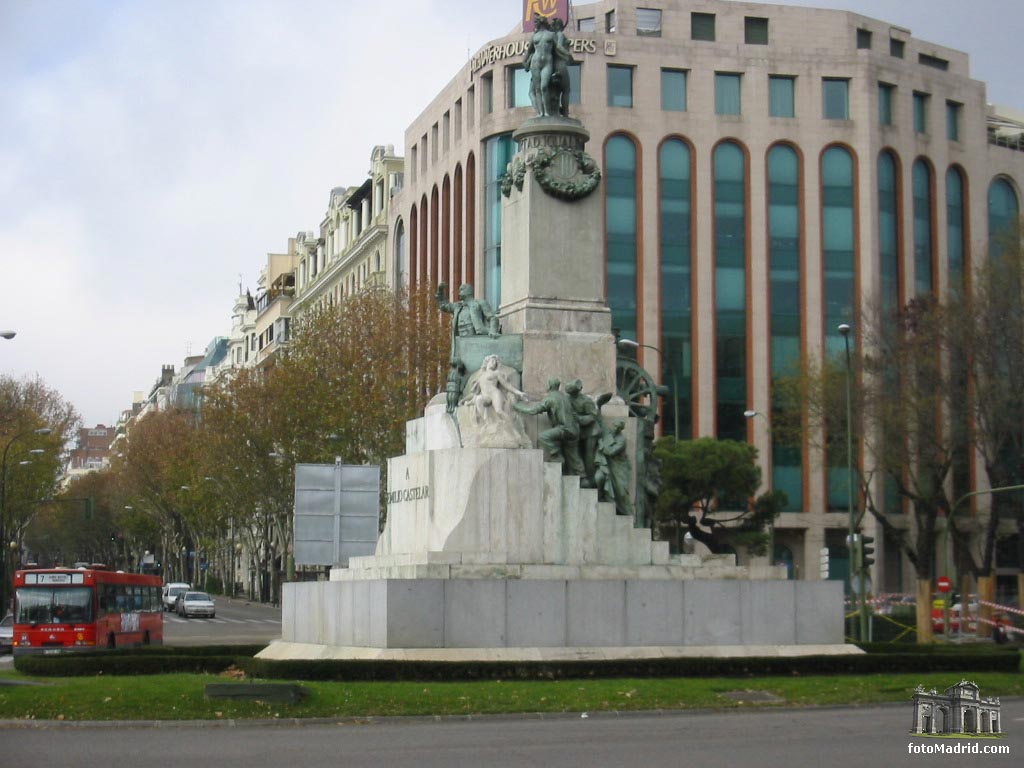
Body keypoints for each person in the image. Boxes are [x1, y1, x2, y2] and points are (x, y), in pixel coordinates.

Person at [514, 377, 585, 476]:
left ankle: (556, 456)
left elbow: (533, 411)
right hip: (575, 429)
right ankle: (582, 477)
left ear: (550, 386)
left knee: (543, 437)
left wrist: (517, 407)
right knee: (573, 456)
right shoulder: (564, 397)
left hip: (564, 429)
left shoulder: (550, 398)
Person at [461, 355, 527, 423]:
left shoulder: (496, 373)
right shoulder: (481, 376)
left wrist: (519, 393)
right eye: (492, 361)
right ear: (487, 362)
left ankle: (511, 424)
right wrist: (464, 400)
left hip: (495, 394)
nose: (494, 363)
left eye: (495, 362)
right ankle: (487, 421)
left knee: (499, 411)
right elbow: (475, 393)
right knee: (478, 399)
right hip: (485, 396)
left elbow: (506, 385)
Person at [595, 419, 635, 518]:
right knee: (598, 477)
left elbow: (611, 452)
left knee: (621, 491)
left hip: (619, 467)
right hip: (605, 465)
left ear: (621, 429)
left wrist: (601, 445)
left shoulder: (621, 440)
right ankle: (601, 496)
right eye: (615, 426)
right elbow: (599, 420)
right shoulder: (607, 433)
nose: (615, 429)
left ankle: (629, 514)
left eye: (618, 428)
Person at [565, 379, 599, 488]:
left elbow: (593, 416)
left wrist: (580, 418)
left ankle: (591, 480)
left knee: (589, 456)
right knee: (574, 452)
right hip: (577, 430)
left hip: (590, 431)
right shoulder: (568, 399)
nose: (571, 395)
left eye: (573, 392)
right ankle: (578, 476)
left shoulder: (586, 401)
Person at [436, 282, 500, 339]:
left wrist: (493, 331)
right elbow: (443, 305)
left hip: (475, 336)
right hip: (460, 337)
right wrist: (440, 291)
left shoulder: (480, 303)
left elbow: (492, 317)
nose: (459, 292)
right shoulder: (457, 306)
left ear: (468, 291)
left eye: (461, 290)